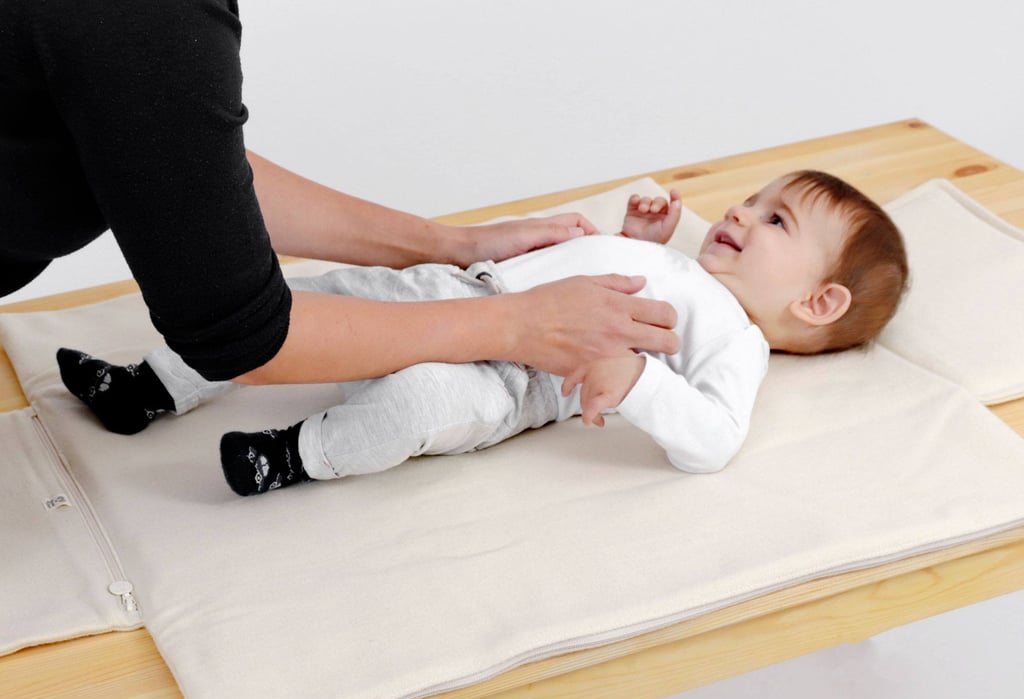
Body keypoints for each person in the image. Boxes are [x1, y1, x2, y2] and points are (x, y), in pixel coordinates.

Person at [58, 170, 909, 495]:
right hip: (452, 289)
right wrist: (639, 243)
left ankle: (292, 455)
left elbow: (714, 439)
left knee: (421, 404)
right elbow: (623, 281)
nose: (743, 212)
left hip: (510, 379)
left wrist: (638, 379)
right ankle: (149, 387)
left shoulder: (737, 340)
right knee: (287, 298)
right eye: (754, 200)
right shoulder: (684, 267)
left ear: (818, 303)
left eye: (776, 220)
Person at [0, 0, 678, 388]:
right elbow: (238, 334)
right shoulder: (143, 19)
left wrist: (449, 245)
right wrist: (517, 326)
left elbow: (170, 160)